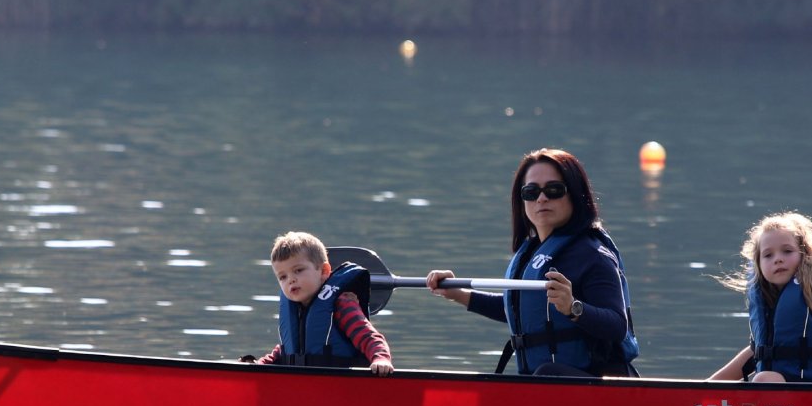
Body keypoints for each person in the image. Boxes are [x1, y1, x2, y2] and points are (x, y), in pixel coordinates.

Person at [426, 148, 639, 377]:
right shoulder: (530, 253)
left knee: (548, 373)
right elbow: (520, 307)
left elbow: (617, 326)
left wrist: (573, 308)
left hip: (596, 387)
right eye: (531, 192)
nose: (541, 198)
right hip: (541, 384)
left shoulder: (594, 255)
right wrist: (458, 293)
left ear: (576, 194)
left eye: (554, 190)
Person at [710, 212, 812, 383]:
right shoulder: (769, 305)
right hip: (780, 401)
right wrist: (705, 389)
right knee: (761, 380)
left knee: (764, 379)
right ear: (758, 264)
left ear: (804, 253)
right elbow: (755, 353)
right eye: (768, 255)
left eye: (787, 251)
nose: (778, 259)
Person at [252, 231, 394, 373]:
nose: (291, 280)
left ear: (324, 271)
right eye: (283, 277)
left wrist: (380, 358)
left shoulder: (341, 305)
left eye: (299, 270)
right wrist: (260, 364)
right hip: (304, 387)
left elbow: (368, 337)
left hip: (342, 385)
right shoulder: (297, 309)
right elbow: (283, 351)